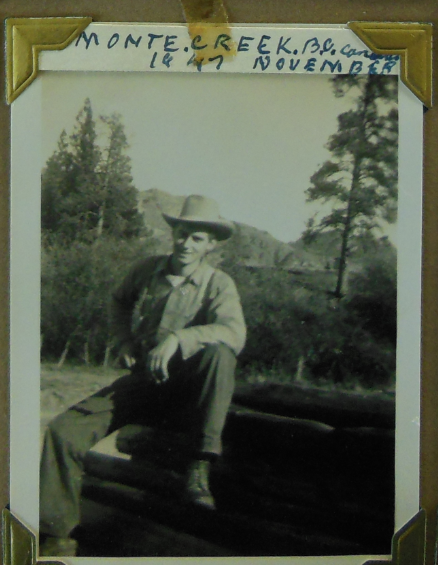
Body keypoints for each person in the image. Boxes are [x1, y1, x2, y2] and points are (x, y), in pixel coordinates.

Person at [39, 194, 246, 557]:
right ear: (173, 234)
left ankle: (199, 465)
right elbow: (119, 300)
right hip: (144, 381)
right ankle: (57, 537)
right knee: (63, 430)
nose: (186, 243)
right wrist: (123, 341)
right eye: (182, 234)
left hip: (188, 392)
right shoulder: (148, 269)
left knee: (219, 353)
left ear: (210, 245)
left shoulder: (219, 284)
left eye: (197, 238)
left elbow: (234, 333)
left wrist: (180, 339)